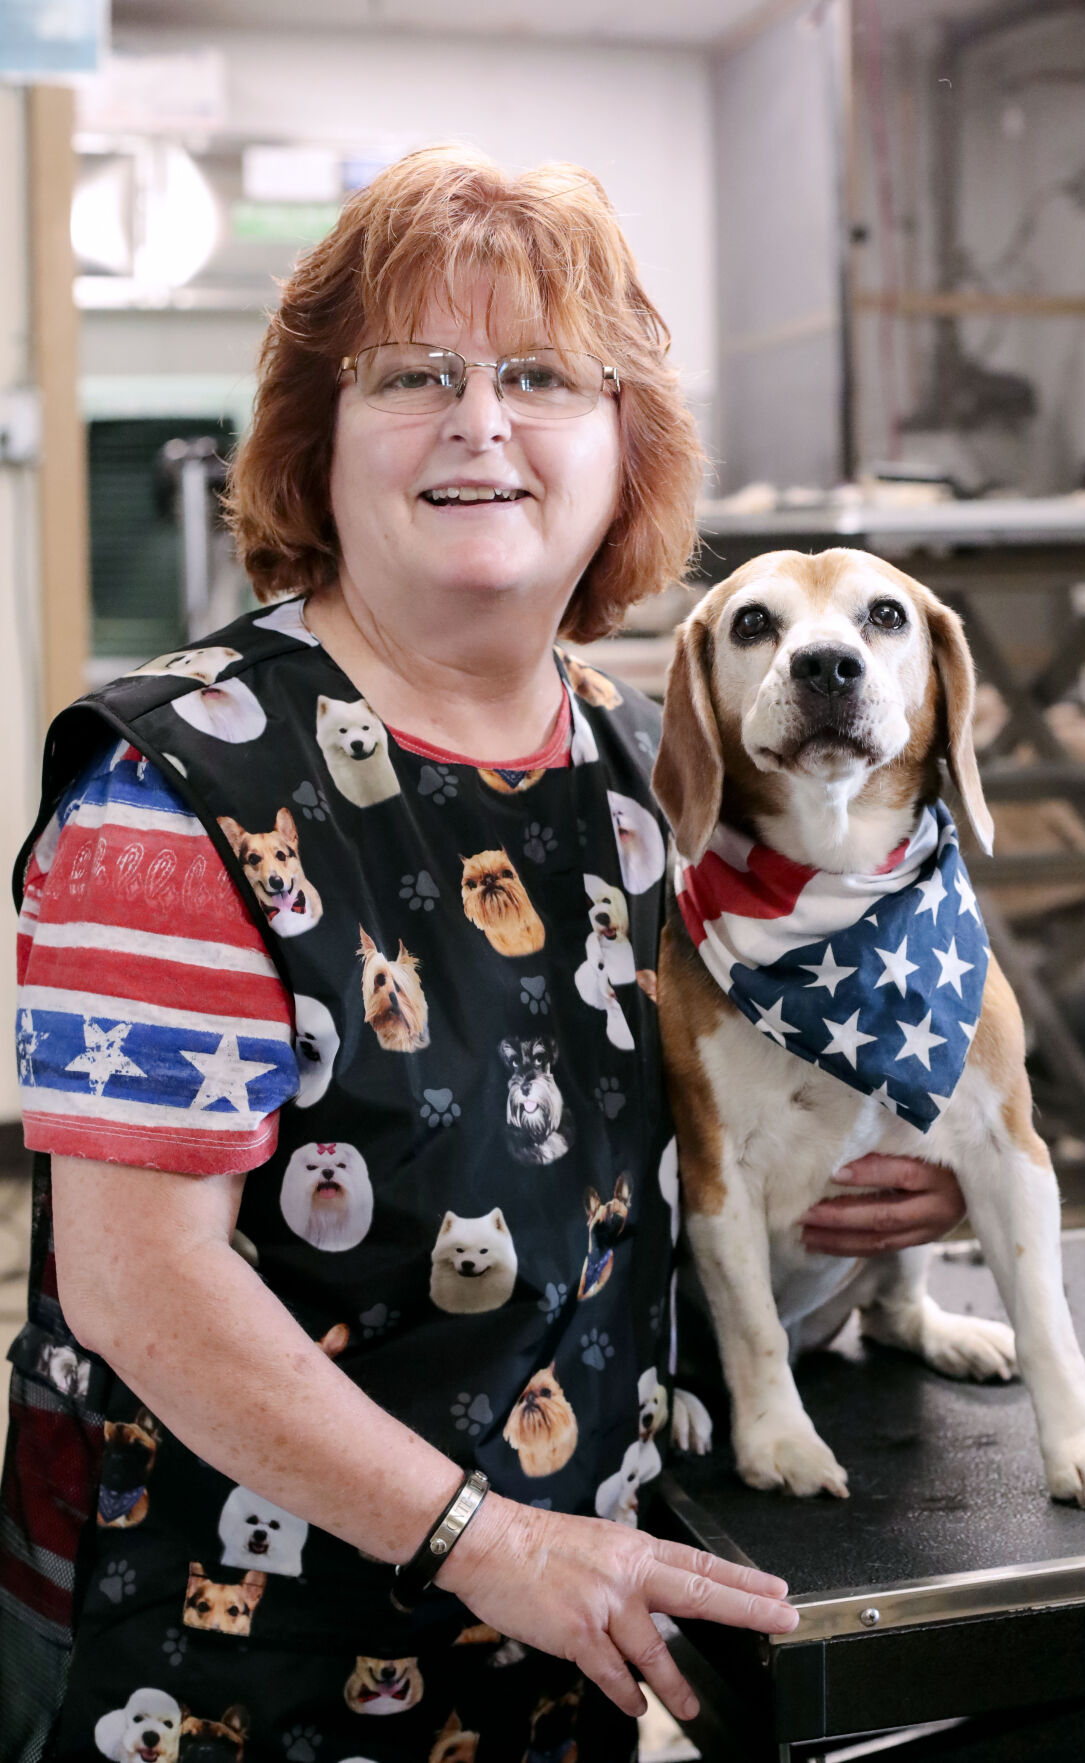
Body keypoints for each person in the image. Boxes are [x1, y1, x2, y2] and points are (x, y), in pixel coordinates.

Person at [2, 147, 963, 1763]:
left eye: (539, 375)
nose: (481, 420)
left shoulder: (650, 775)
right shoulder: (175, 790)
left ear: (625, 450)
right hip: (228, 1675)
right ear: (315, 441)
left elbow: (680, 1117)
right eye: (412, 376)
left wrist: (855, 1166)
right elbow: (137, 1282)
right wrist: (489, 1542)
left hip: (565, 1644)